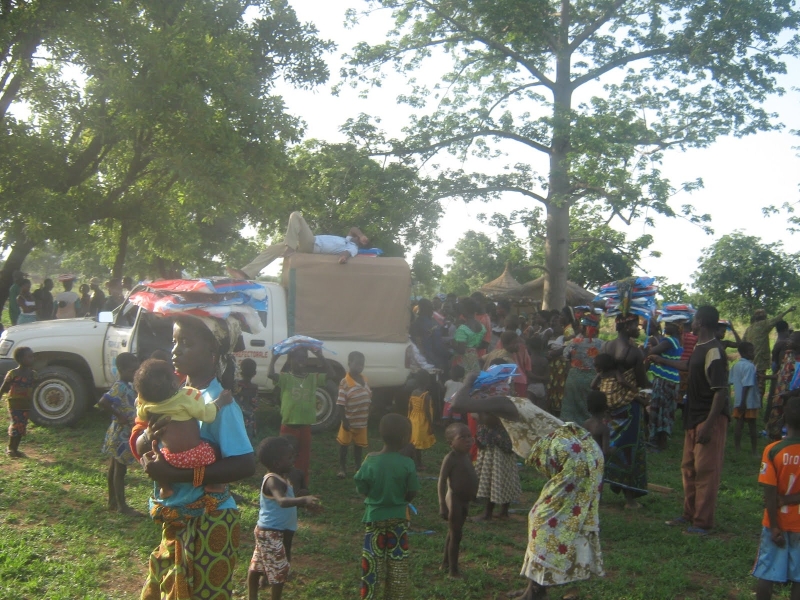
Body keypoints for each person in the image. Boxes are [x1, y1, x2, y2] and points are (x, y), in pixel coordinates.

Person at [132, 314, 255, 599]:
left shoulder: (219, 403)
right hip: (177, 517)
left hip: (210, 521)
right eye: (174, 341)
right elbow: (142, 443)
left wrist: (176, 475)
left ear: (212, 351)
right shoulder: (170, 397)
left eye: (186, 343)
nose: (175, 351)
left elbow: (245, 464)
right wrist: (148, 438)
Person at [655, 305, 730, 535]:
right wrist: (660, 359)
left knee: (705, 471)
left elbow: (721, 392)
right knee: (689, 468)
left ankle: (702, 522)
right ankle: (689, 514)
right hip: (693, 415)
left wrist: (709, 425)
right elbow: (687, 366)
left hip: (708, 417)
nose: (691, 323)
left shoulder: (715, 351)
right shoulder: (700, 346)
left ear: (702, 322)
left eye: (694, 319)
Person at [513, 423, 605, 600]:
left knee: (543, 531)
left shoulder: (575, 462)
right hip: (572, 503)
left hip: (568, 508)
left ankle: (536, 593)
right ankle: (534, 590)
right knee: (542, 529)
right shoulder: (582, 453)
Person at [134, 358, 233, 498]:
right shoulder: (186, 398)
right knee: (216, 449)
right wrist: (220, 402)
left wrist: (141, 401)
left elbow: (141, 415)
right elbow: (207, 414)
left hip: (168, 460)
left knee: (154, 458)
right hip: (198, 456)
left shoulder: (148, 407)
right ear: (174, 383)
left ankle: (165, 487)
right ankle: (214, 484)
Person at [355, 413, 420, 600]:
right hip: (398, 519)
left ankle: (368, 596)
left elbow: (361, 486)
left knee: (371, 564)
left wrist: (374, 496)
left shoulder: (370, 460)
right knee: (397, 565)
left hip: (374, 518)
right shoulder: (407, 463)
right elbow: (412, 491)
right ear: (404, 438)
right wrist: (402, 500)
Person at [248, 436, 320, 600]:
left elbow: (290, 499)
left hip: (273, 531)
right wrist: (303, 500)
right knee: (279, 572)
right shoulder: (272, 480)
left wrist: (306, 503)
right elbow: (282, 501)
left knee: (258, 566)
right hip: (271, 532)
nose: (293, 460)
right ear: (277, 463)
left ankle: (253, 596)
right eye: (289, 457)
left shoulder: (283, 477)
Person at [752, 395, 800, 600]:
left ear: (785, 420)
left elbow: (770, 493)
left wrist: (773, 527)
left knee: (766, 573)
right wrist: (790, 500)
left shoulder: (772, 451)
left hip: (776, 521)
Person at [600, 314, 650, 509]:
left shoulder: (606, 346)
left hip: (608, 406)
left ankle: (598, 494)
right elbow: (642, 382)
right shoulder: (634, 352)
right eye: (635, 325)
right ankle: (630, 500)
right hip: (629, 407)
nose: (638, 328)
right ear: (626, 326)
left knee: (604, 447)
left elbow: (601, 373)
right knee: (630, 448)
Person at [229, 211, 371, 278]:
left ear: (360, 244)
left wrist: (343, 258)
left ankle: (290, 247)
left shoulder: (352, 247)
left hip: (312, 245)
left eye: (359, 239)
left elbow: (346, 254)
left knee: (295, 215)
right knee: (272, 249)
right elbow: (354, 228)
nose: (356, 237)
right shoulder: (347, 239)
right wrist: (361, 235)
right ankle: (246, 273)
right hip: (305, 244)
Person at [269, 345, 335, 483]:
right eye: (298, 357)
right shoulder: (285, 378)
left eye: (304, 357)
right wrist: (274, 358)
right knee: (284, 457)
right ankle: (283, 483)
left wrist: (320, 356)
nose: (301, 360)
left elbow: (332, 374)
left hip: (305, 426)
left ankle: (301, 485)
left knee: (304, 459)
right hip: (288, 426)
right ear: (290, 360)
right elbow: (270, 374)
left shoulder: (312, 378)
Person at [97, 352, 141, 515]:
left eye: (136, 371)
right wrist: (119, 415)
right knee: (120, 470)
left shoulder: (127, 385)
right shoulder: (120, 386)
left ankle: (112, 501)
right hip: (121, 434)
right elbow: (103, 402)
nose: (134, 374)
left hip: (120, 432)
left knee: (114, 467)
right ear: (121, 370)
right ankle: (122, 506)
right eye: (131, 371)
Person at [438, 422, 477, 578]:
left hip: (464, 500)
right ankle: (453, 571)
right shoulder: (451, 458)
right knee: (456, 535)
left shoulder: (466, 456)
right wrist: (442, 504)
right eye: (462, 437)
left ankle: (445, 563)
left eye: (469, 436)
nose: (468, 440)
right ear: (451, 443)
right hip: (454, 499)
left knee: (454, 532)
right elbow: (441, 481)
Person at [473, 406, 521, 522]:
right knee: (505, 476)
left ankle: (487, 514)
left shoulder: (493, 404)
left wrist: (479, 411)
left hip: (495, 446)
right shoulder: (502, 401)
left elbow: (489, 420)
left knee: (492, 478)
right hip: (502, 443)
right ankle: (503, 512)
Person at [745, 306, 797, 401]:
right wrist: (788, 310)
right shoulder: (763, 324)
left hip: (749, 361)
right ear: (764, 317)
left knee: (750, 384)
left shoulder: (749, 328)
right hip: (760, 361)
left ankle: (749, 403)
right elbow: (776, 319)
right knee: (760, 386)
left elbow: (742, 342)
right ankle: (757, 404)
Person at [646, 321, 684, 450]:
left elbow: (651, 352)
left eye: (668, 324)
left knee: (659, 410)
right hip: (673, 379)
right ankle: (662, 442)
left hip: (664, 380)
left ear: (676, 327)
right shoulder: (677, 340)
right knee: (666, 411)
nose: (665, 327)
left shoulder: (668, 341)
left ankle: (657, 443)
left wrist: (644, 348)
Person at [561, 311, 604, 424]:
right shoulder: (601, 344)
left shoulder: (574, 342)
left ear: (583, 328)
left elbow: (565, 356)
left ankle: (571, 432)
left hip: (574, 378)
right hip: (592, 379)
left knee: (571, 410)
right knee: (589, 409)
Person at [336, 351, 372, 478]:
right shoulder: (345, 382)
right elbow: (340, 403)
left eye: (362, 364)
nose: (360, 367)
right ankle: (342, 467)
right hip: (349, 421)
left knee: (358, 446)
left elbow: (368, 395)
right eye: (357, 364)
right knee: (344, 445)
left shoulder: (364, 379)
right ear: (349, 363)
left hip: (361, 421)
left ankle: (358, 466)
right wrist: (344, 420)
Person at [1, 346, 36, 457]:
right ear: (20, 359)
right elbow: (4, 388)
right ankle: (10, 448)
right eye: (29, 357)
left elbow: (36, 389)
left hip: (26, 404)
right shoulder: (13, 374)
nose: (32, 359)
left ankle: (15, 449)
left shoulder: (33, 374)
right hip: (14, 404)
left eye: (32, 356)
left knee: (22, 426)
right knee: (16, 424)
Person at [766, 332, 800, 439]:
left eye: (792, 339)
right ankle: (775, 444)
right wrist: (765, 377)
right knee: (776, 424)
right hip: (781, 398)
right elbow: (781, 374)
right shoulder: (788, 356)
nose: (788, 341)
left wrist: (791, 394)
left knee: (792, 425)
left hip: (794, 400)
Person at [730, 342, 760, 456]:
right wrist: (744, 402)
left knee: (739, 424)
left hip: (738, 400)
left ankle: (737, 449)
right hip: (749, 402)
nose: (753, 353)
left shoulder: (736, 365)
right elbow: (747, 385)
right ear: (744, 353)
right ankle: (754, 451)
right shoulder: (750, 366)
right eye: (751, 351)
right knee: (752, 426)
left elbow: (731, 381)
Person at [408, 369, 436, 470]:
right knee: (418, 445)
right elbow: (427, 411)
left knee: (413, 441)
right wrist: (431, 425)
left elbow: (410, 406)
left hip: (413, 418)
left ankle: (413, 460)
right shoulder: (426, 395)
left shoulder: (413, 392)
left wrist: (409, 417)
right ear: (427, 381)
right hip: (421, 421)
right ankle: (418, 464)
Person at [451, 297, 486, 374]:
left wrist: (452, 344)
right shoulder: (482, 327)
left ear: (464, 311)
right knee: (473, 378)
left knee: (464, 378)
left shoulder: (462, 329)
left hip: (462, 362)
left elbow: (461, 350)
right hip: (474, 358)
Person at [235, 358, 259, 445]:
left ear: (241, 372)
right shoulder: (254, 388)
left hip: (236, 418)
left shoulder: (235, 385)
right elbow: (255, 406)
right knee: (247, 444)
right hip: (248, 421)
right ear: (254, 373)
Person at [583, 391, 611, 456]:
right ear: (605, 407)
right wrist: (615, 449)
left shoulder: (585, 423)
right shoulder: (604, 429)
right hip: (598, 459)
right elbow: (605, 452)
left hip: (587, 457)